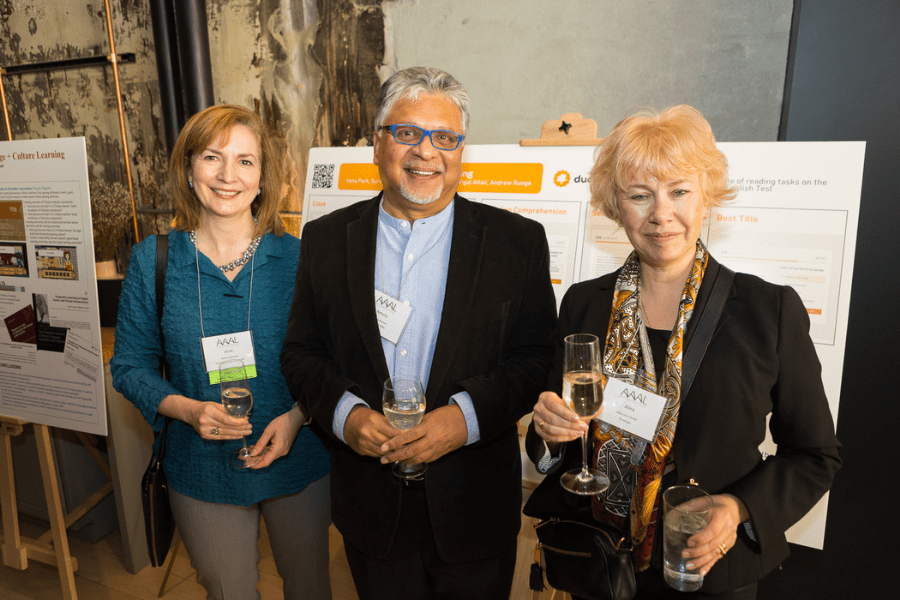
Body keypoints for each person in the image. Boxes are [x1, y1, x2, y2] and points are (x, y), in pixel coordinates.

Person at [526, 105, 841, 599]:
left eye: (679, 192)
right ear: (615, 205)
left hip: (706, 570)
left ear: (707, 197)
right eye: (639, 195)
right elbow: (557, 442)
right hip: (600, 566)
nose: (660, 215)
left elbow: (816, 455)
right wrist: (546, 433)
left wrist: (738, 508)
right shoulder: (585, 303)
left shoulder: (767, 310)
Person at [280, 66, 557, 600]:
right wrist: (346, 416)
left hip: (474, 507)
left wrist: (464, 419)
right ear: (377, 144)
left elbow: (534, 357)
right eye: (408, 133)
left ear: (461, 152)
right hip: (371, 506)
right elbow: (301, 352)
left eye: (445, 138)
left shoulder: (515, 242)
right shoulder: (325, 239)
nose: (426, 152)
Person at [111, 104, 331, 600]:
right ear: (190, 171)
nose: (228, 175)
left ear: (263, 177)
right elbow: (128, 366)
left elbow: (332, 362)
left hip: (296, 453)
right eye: (212, 157)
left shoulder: (300, 258)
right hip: (200, 463)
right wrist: (187, 410)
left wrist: (298, 417)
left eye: (245, 161)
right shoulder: (155, 260)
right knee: (229, 591)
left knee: (309, 586)